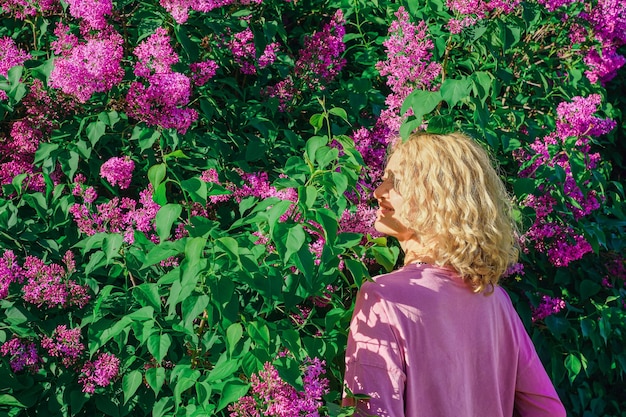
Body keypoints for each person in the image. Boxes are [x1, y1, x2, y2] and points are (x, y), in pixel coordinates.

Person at [342, 132, 567, 417]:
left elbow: (372, 412)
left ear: (435, 197)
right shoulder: (495, 301)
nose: (378, 192)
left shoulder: (382, 297)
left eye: (395, 182)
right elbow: (549, 411)